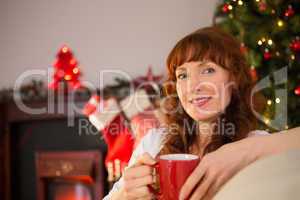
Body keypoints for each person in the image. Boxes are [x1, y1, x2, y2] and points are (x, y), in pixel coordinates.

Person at [103, 26, 300, 200]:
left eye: (208, 70)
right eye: (182, 75)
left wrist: (244, 150)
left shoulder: (257, 146)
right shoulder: (153, 143)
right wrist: (125, 195)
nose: (193, 86)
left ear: (235, 79)